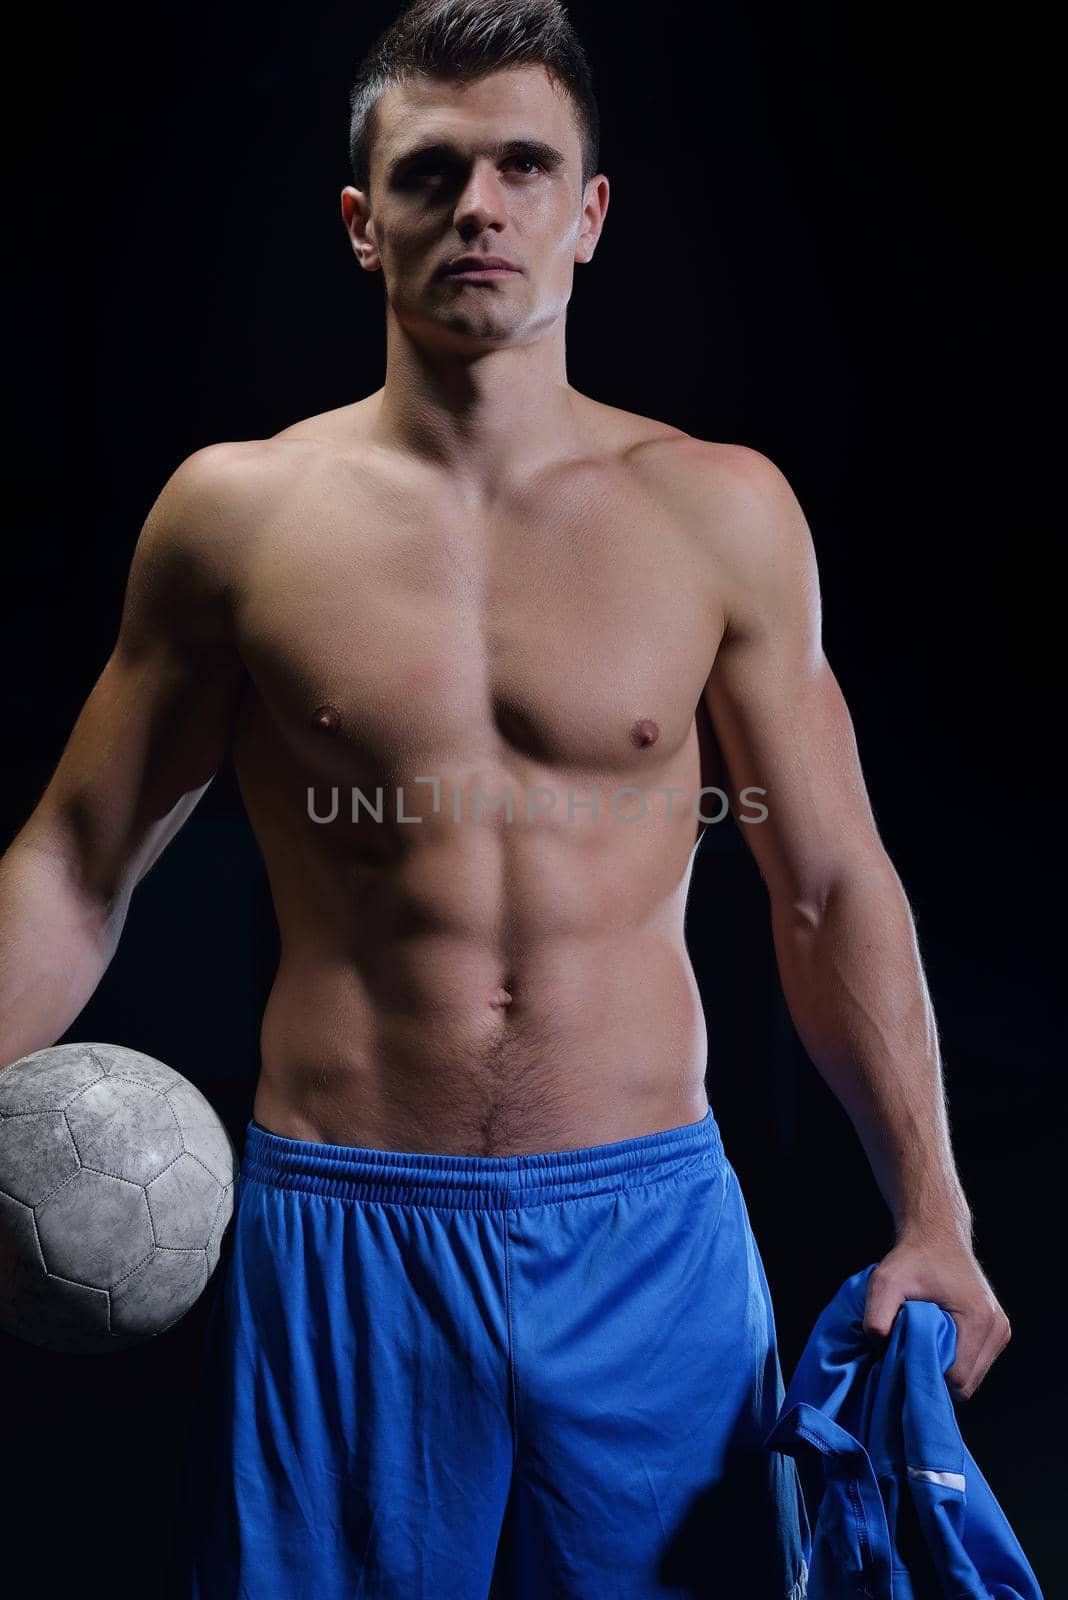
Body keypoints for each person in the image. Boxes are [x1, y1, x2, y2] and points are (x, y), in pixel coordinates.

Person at [0, 1, 1012, 1595]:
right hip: (342, 1240)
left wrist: (933, 1210)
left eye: (526, 167)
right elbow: (74, 861)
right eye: (432, 172)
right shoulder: (235, 519)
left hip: (651, 1245)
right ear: (361, 221)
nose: (479, 206)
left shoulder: (718, 513)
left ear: (588, 213)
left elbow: (825, 884)